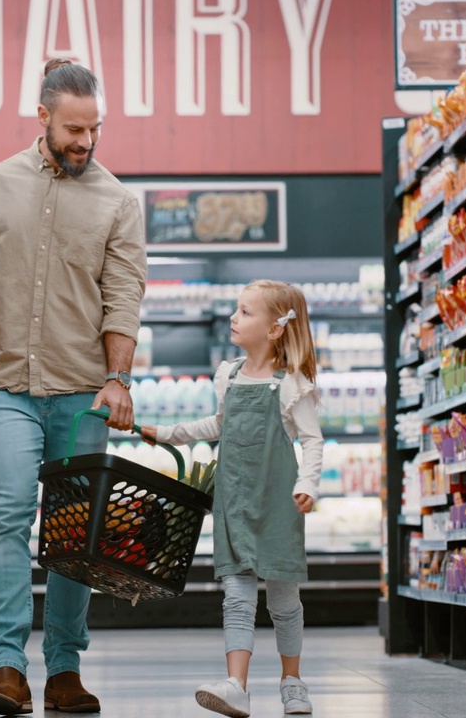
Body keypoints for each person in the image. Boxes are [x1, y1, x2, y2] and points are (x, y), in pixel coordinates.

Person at [0, 58, 148, 715]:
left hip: (84, 390)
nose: (85, 141)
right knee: (6, 521)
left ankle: (63, 668)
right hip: (3, 385)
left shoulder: (119, 201)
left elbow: (123, 298)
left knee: (70, 533)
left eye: (95, 130)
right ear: (43, 117)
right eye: (73, 129)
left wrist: (119, 378)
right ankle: (6, 666)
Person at [140, 280, 324, 717]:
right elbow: (217, 425)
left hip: (279, 505)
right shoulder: (230, 374)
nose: (233, 319)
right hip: (234, 503)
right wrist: (169, 434)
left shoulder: (291, 384)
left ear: (275, 329)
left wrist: (308, 485)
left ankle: (292, 680)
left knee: (283, 601)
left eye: (245, 312)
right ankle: (236, 685)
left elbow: (313, 441)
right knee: (237, 597)